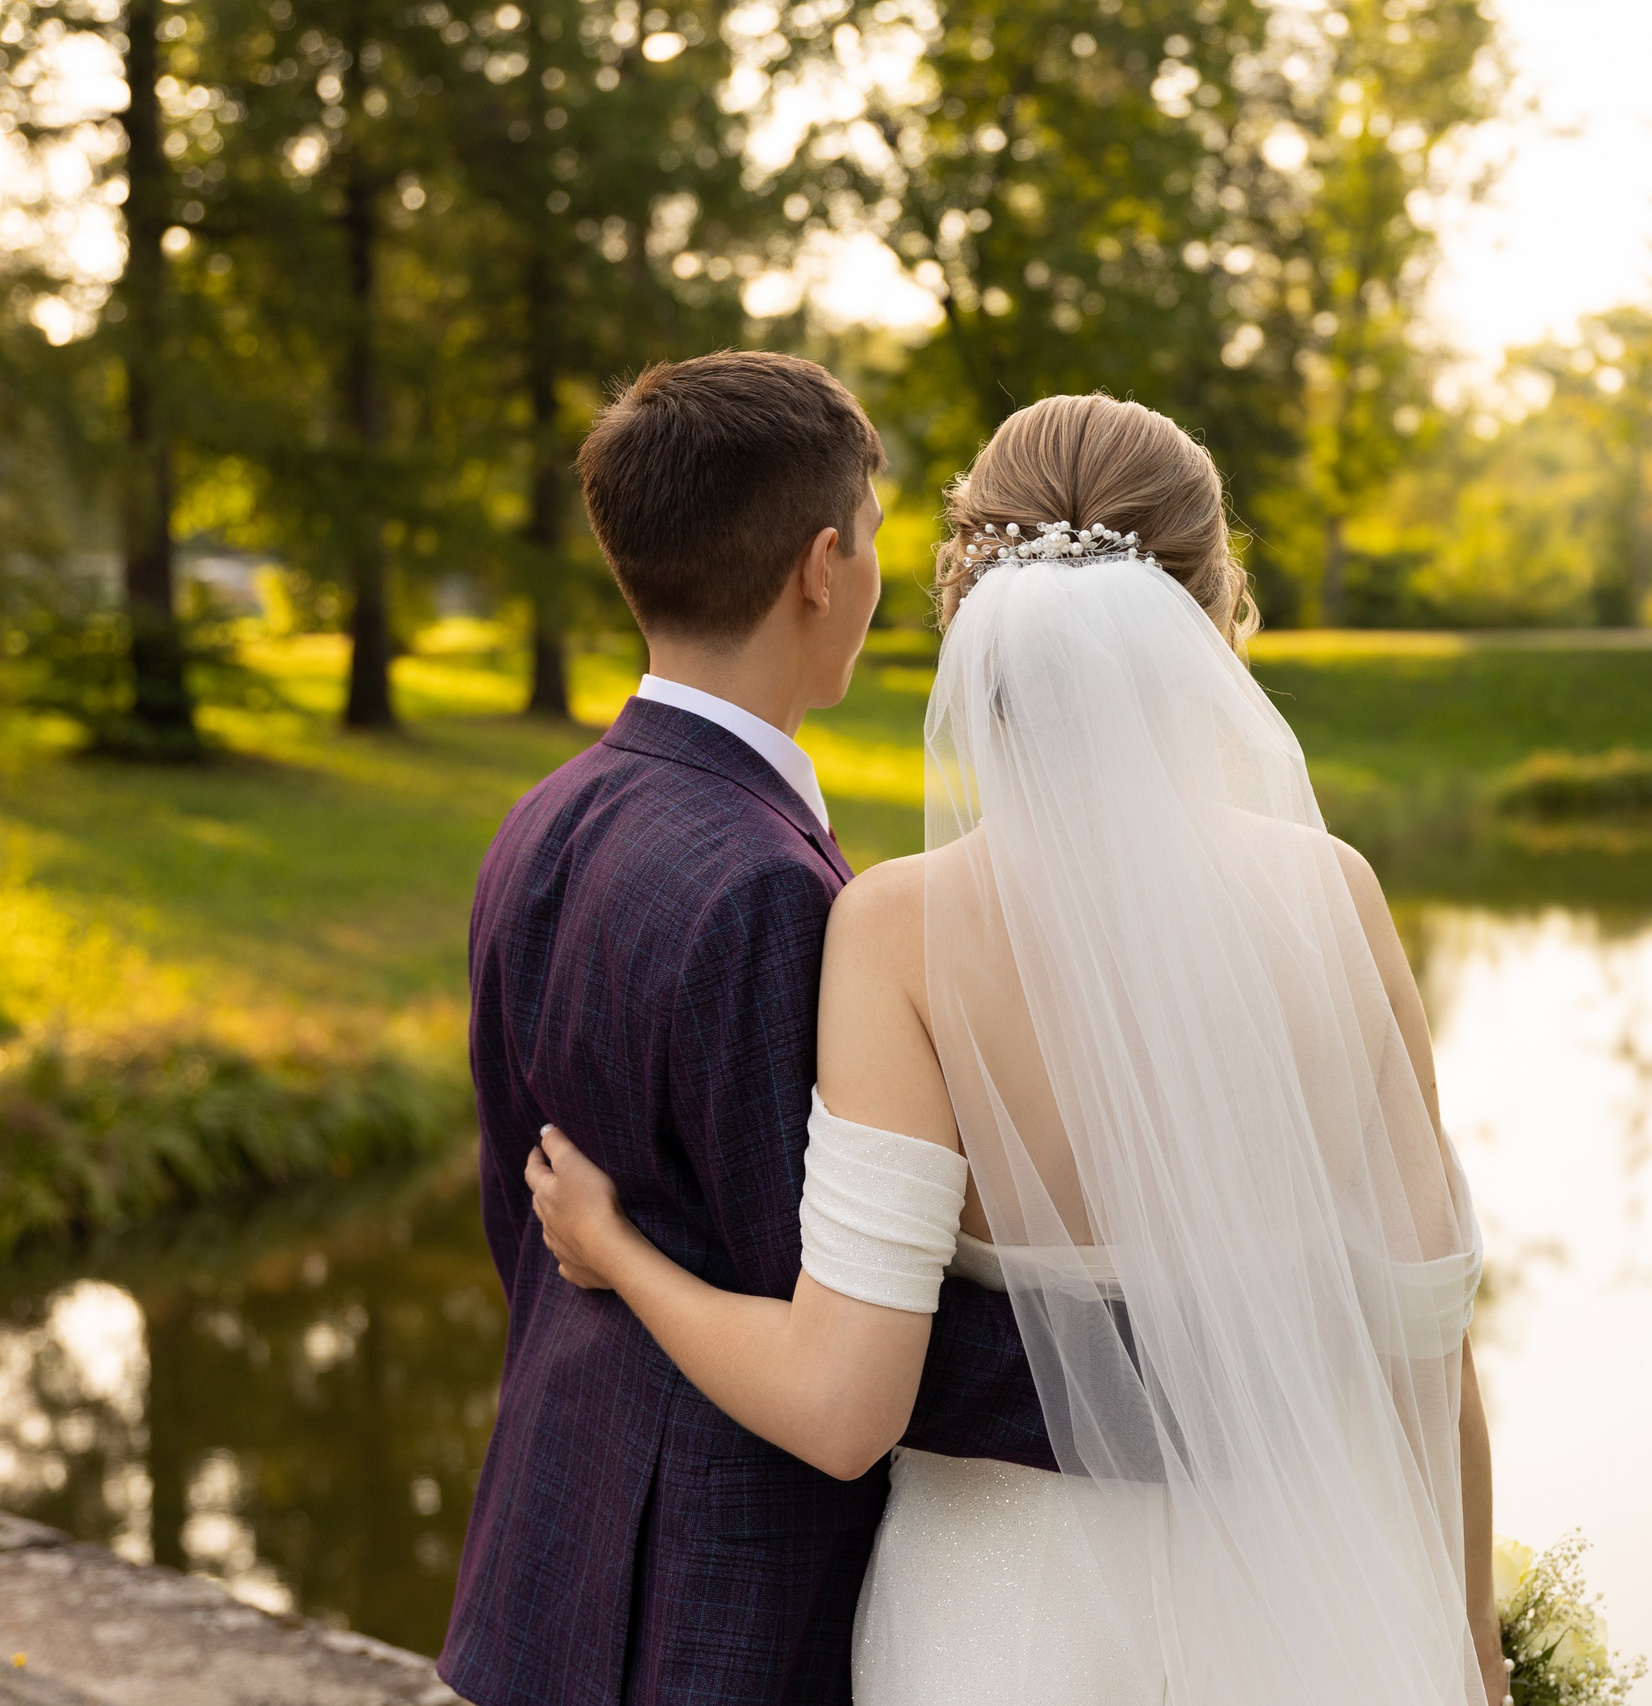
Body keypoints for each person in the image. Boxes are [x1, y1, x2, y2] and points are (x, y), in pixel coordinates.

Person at [523, 394, 1511, 1706]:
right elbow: (1426, 1349)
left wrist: (616, 1253)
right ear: (1216, 617)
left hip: (1005, 1632)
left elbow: (842, 1406)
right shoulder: (1335, 897)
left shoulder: (899, 932)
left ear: (967, 613)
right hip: (1309, 1614)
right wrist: (1468, 1638)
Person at [438, 352, 1054, 1706]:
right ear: (822, 566)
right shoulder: (768, 890)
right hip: (715, 1606)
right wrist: (1183, 1388)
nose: (879, 574)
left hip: (548, 1554)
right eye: (875, 537)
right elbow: (841, 1319)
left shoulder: (542, 817)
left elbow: (518, 1220)